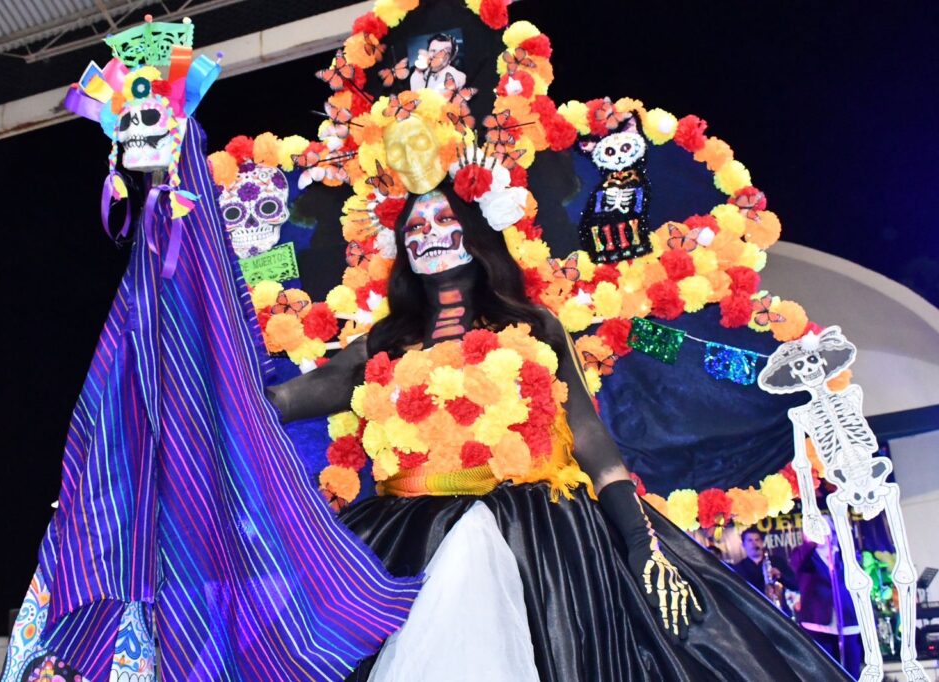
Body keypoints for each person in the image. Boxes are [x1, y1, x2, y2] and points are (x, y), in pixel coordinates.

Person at [266, 178, 853, 681]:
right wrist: (246, 398)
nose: (428, 234)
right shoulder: (383, 341)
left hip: (540, 534)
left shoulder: (535, 326)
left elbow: (589, 435)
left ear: (477, 234)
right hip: (408, 532)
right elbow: (298, 395)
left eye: (444, 219)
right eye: (415, 227)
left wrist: (638, 539)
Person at [791, 516, 863, 678]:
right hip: (817, 623)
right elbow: (796, 564)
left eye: (824, 528)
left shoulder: (845, 554)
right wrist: (811, 542)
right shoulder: (805, 555)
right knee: (824, 673)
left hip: (847, 620)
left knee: (851, 671)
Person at [735, 527, 799, 614]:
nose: (754, 544)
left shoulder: (777, 562)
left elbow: (795, 585)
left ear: (762, 543)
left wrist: (780, 576)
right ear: (743, 545)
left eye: (757, 540)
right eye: (750, 540)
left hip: (780, 612)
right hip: (755, 613)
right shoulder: (739, 568)